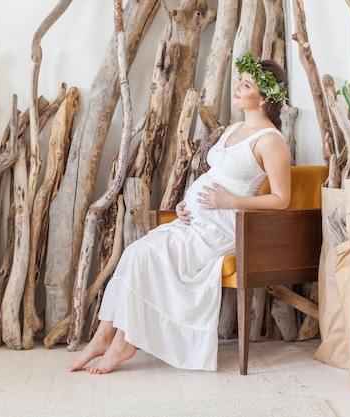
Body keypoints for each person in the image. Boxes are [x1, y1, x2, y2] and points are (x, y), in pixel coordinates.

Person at [68, 53, 292, 374]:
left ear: (265, 98)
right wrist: (186, 204)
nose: (238, 88)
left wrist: (230, 201)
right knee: (134, 253)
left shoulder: (271, 142)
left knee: (145, 254)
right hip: (198, 220)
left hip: (224, 228)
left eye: (247, 84)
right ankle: (105, 335)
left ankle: (123, 341)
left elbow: (281, 199)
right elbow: (214, 177)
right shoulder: (232, 130)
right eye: (240, 81)